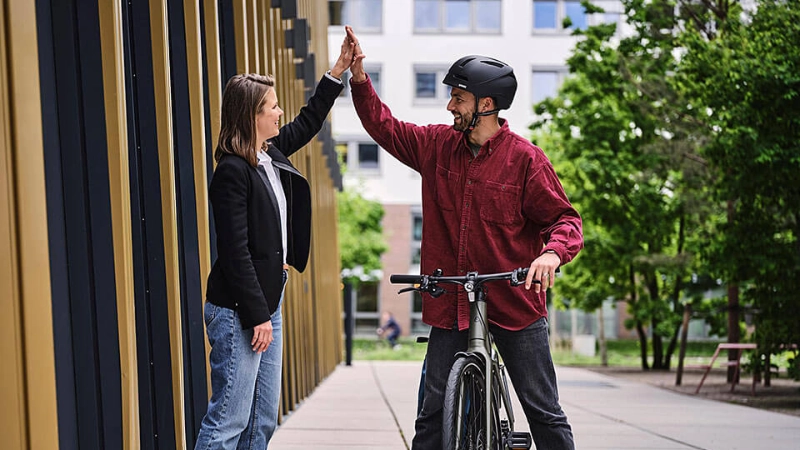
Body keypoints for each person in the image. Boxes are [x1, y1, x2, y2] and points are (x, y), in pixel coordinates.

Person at [345, 26, 583, 450]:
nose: (449, 105)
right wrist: (360, 78)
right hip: (452, 301)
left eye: (458, 97)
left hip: (514, 302)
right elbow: (385, 127)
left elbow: (564, 221)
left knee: (544, 412)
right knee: (431, 417)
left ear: (485, 105)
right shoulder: (436, 145)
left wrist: (551, 255)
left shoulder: (526, 161)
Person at [194, 33, 357, 450]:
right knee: (228, 420)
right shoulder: (232, 170)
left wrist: (337, 73)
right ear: (252, 115)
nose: (280, 111)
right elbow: (235, 252)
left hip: (269, 301)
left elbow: (307, 120)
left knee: (262, 420)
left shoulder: (268, 154)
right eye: (272, 107)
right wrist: (257, 316)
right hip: (239, 310)